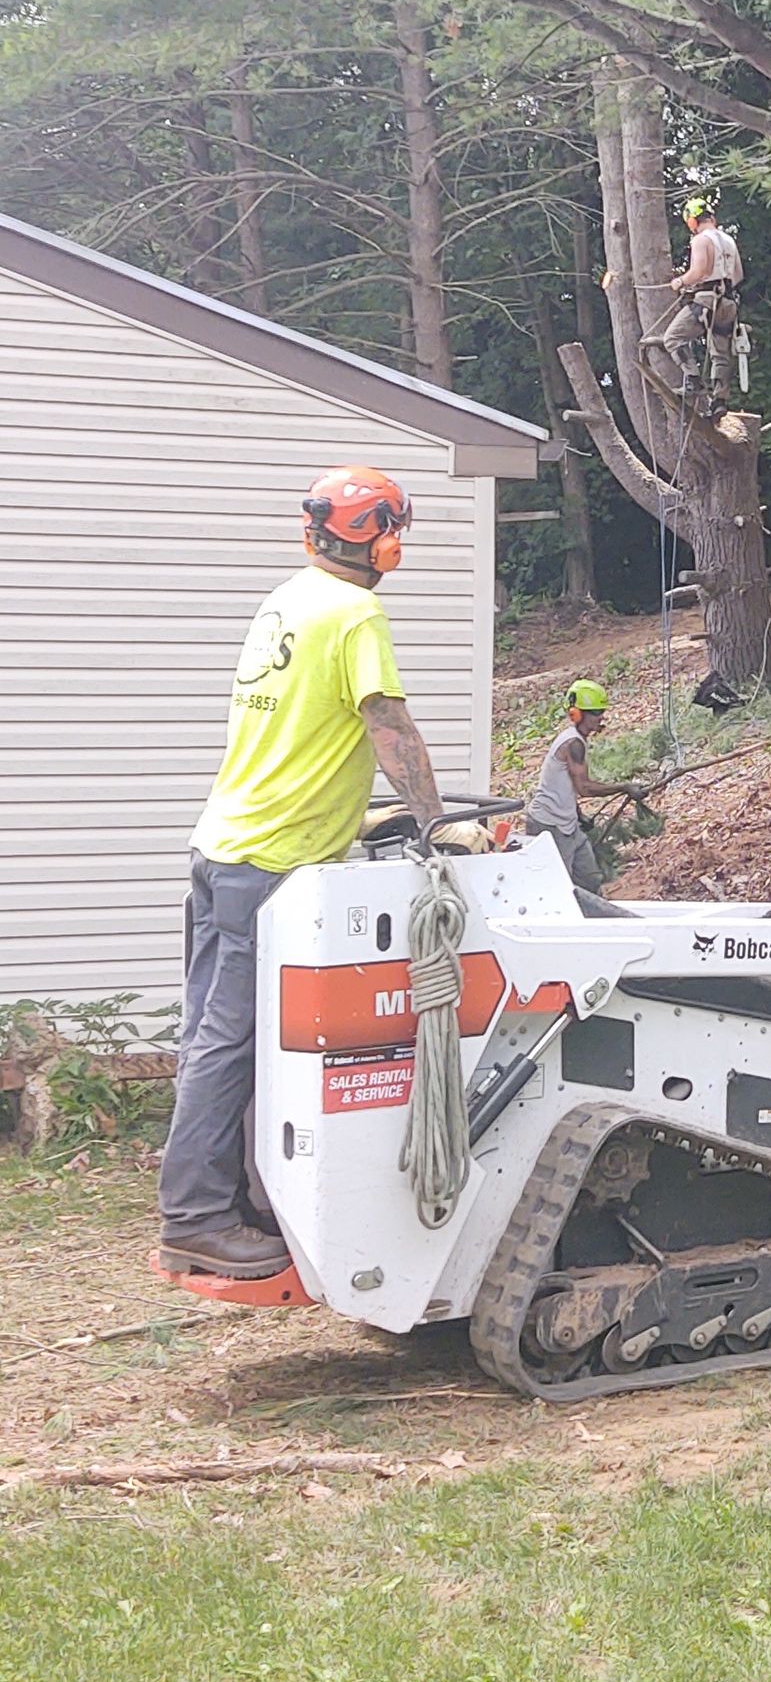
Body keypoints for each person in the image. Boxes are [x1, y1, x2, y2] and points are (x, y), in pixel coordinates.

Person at [156, 466, 442, 1281]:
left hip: (223, 848)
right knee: (233, 1040)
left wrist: (352, 814)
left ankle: (239, 1198)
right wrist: (435, 823)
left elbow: (300, 734)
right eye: (396, 532)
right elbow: (390, 729)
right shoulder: (357, 612)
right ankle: (197, 1216)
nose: (398, 547)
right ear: (378, 535)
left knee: (211, 1036)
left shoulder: (288, 598)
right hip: (272, 863)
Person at [522, 680, 642, 888]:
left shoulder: (578, 740)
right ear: (577, 714)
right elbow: (584, 788)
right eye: (595, 712)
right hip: (549, 825)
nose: (600, 717)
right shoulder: (573, 744)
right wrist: (624, 787)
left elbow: (563, 785)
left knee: (590, 879)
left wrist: (578, 815)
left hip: (568, 824)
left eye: (601, 711)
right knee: (556, 887)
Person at [652, 192, 743, 393]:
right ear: (712, 218)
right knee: (720, 354)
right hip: (728, 303)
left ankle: (693, 380)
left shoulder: (701, 240)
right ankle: (719, 399)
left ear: (692, 221)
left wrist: (681, 282)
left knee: (673, 338)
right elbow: (737, 275)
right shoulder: (729, 240)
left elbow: (700, 270)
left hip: (708, 301)